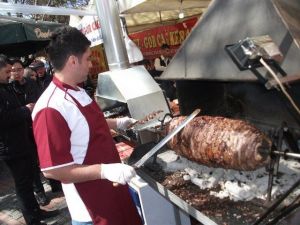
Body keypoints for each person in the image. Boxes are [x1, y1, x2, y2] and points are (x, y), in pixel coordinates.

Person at [32, 26, 142, 225]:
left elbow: (85, 124)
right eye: (88, 58)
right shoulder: (50, 108)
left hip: (113, 191)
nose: (91, 64)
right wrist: (104, 171)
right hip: (91, 207)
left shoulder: (78, 90)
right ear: (73, 61)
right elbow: (53, 170)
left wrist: (118, 122)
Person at [0, 54, 55, 225]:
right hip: (10, 147)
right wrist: (25, 110)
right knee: (22, 186)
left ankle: (37, 212)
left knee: (30, 178)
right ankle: (32, 220)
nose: (10, 74)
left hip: (22, 142)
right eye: (7, 71)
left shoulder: (6, 87)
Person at [10, 58, 49, 206]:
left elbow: (41, 98)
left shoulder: (31, 84)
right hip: (23, 131)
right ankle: (40, 192)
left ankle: (55, 183)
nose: (17, 73)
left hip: (37, 125)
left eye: (19, 69)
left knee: (45, 154)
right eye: (13, 70)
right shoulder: (10, 89)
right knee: (32, 163)